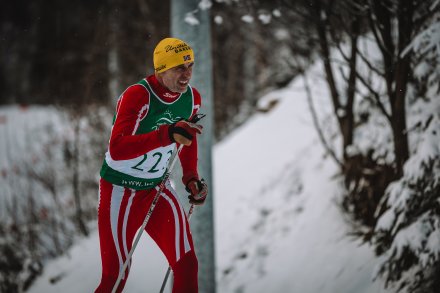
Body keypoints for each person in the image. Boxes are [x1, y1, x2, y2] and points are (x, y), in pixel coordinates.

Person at [95, 37, 208, 293]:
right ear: (162, 69)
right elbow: (118, 147)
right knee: (116, 277)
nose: (187, 74)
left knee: (187, 265)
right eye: (180, 67)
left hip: (157, 187)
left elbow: (187, 139)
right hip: (120, 190)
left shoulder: (193, 99)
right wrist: (166, 134)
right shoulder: (137, 95)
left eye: (190, 66)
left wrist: (191, 177)